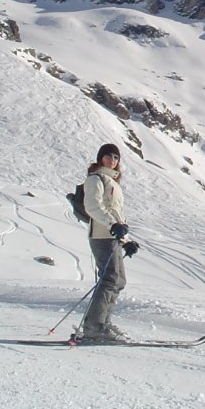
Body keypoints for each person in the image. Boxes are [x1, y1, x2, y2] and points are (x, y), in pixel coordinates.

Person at [80, 142, 140, 341]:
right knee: (110, 279)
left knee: (118, 281)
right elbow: (92, 206)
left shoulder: (113, 183)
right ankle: (94, 326)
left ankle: (102, 323)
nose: (112, 160)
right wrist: (113, 225)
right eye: (108, 156)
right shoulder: (95, 178)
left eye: (116, 157)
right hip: (101, 236)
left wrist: (126, 241)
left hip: (111, 236)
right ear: (100, 158)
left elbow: (117, 215)